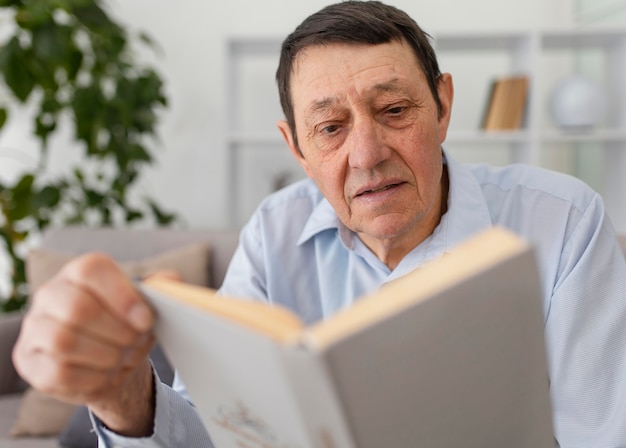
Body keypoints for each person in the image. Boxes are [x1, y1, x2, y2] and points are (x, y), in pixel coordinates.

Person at [12, 1, 626, 447]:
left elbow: (599, 436)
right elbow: (213, 433)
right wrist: (127, 400)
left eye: (393, 110)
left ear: (442, 105)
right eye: (330, 128)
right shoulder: (274, 232)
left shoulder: (564, 222)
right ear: (297, 147)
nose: (366, 155)